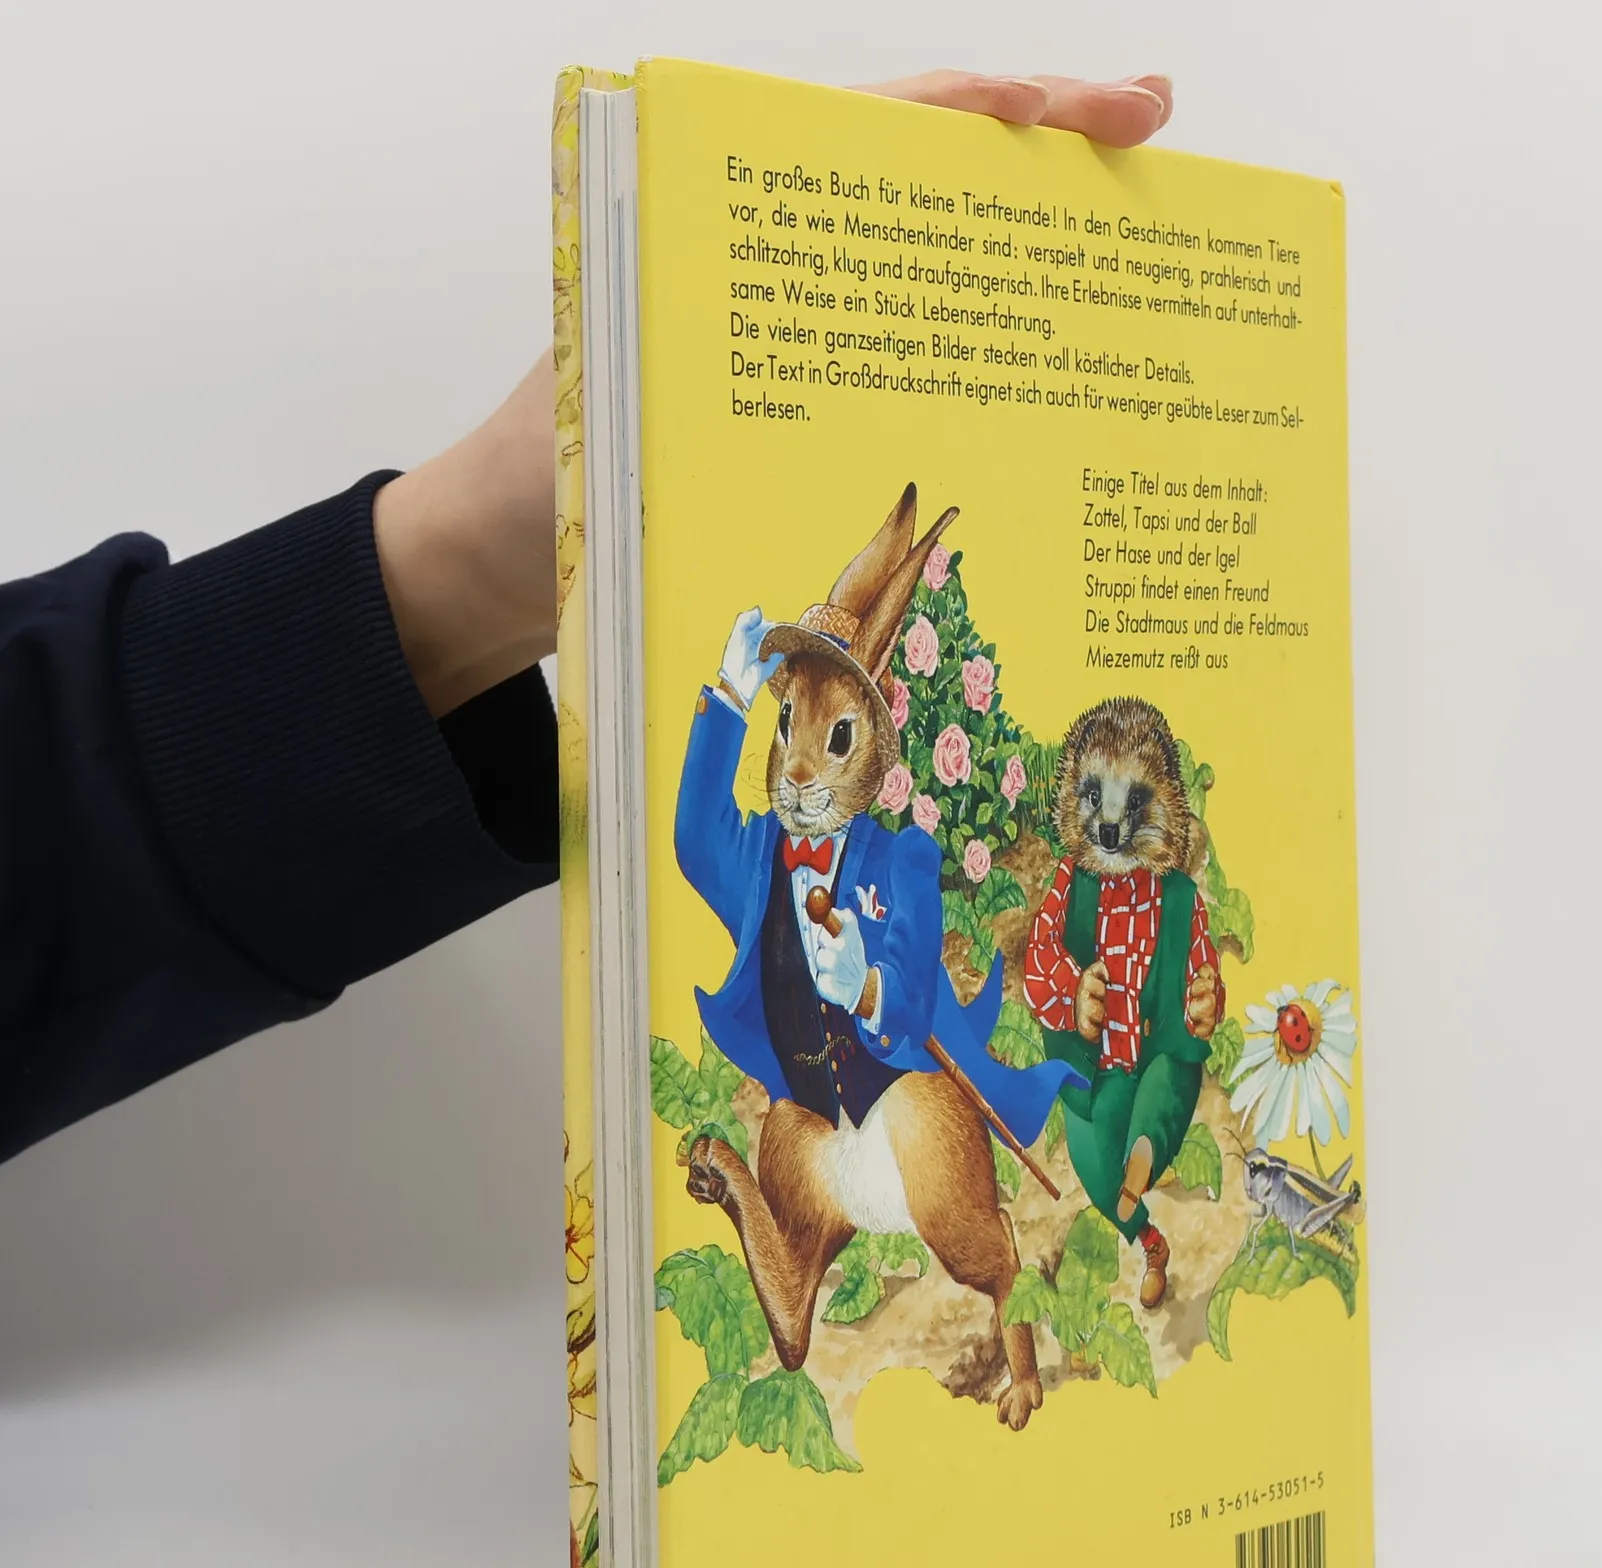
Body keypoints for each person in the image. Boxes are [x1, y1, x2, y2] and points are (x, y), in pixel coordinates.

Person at [0, 69, 1173, 1167]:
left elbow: (911, 979)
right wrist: (723, 707)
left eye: (829, 741)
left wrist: (865, 981)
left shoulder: (901, 859)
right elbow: (699, 843)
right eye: (791, 731)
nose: (801, 771)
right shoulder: (763, 848)